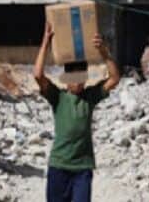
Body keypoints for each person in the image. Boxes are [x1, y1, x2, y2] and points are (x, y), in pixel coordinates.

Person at [33, 21, 121, 202]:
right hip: (59, 166)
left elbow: (114, 78)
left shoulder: (90, 97)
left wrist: (104, 52)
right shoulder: (57, 97)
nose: (79, 83)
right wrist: (45, 43)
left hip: (82, 168)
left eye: (82, 78)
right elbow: (38, 75)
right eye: (74, 78)